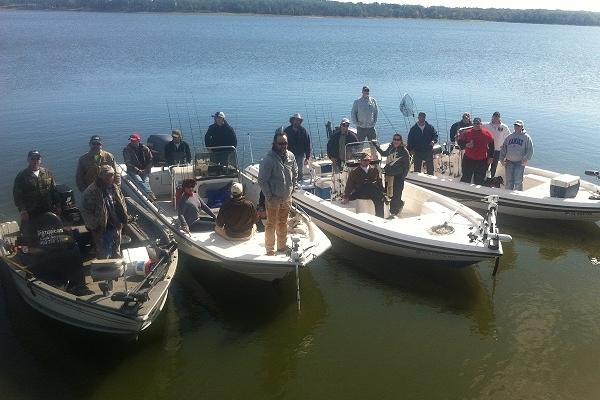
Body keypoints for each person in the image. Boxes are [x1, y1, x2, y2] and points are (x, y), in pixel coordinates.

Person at [258, 128, 297, 256]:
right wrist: (269, 196)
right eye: (280, 143)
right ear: (274, 143)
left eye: (285, 143)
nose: (283, 146)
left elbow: (295, 172)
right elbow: (262, 180)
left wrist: (292, 188)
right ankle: (270, 249)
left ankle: (282, 246)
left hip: (286, 197)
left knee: (283, 223)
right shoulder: (268, 160)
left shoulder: (291, 156)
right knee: (271, 224)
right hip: (273, 199)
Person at [81, 165, 128, 259]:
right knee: (104, 255)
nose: (110, 177)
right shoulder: (91, 192)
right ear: (100, 176)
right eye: (107, 175)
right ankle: (105, 270)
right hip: (102, 229)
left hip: (116, 225)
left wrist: (123, 219)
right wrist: (95, 228)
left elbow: (122, 202)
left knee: (117, 252)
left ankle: (116, 270)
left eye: (112, 175)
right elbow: (86, 212)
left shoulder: (115, 188)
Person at [13, 150, 59, 226]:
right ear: (28, 160)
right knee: (30, 234)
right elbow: (17, 196)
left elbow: (54, 190)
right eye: (32, 159)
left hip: (47, 209)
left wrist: (58, 205)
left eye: (37, 158)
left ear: (40, 160)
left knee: (50, 231)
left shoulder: (47, 173)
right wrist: (23, 211)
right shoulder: (21, 176)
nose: (35, 161)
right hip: (31, 212)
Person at [373, 133, 410, 218]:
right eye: (395, 139)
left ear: (401, 141)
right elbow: (384, 154)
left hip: (398, 177)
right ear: (393, 140)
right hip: (389, 176)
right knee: (389, 194)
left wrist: (402, 177)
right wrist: (376, 146)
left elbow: (407, 166)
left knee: (396, 194)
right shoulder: (390, 148)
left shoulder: (404, 151)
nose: (396, 141)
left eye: (398, 140)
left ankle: (394, 212)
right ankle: (399, 204)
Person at [342, 152, 385, 218]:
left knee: (380, 198)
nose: (366, 162)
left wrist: (382, 191)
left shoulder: (374, 169)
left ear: (369, 161)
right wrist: (346, 196)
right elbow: (349, 185)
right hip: (361, 192)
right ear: (360, 161)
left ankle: (379, 218)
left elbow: (379, 182)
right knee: (367, 186)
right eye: (364, 160)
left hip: (372, 191)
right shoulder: (354, 172)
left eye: (367, 160)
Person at [456, 117, 494, 185]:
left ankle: (477, 192)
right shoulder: (467, 133)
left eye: (478, 123)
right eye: (475, 123)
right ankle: (464, 191)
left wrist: (491, 157)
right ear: (472, 124)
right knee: (466, 177)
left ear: (481, 124)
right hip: (468, 159)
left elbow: (491, 145)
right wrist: (466, 144)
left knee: (479, 179)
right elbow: (460, 142)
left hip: (482, 160)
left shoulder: (487, 133)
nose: (476, 125)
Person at [500, 120, 534, 191]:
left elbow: (530, 149)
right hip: (509, 162)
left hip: (519, 163)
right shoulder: (509, 137)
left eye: (518, 126)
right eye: (515, 125)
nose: (516, 127)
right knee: (509, 181)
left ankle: (517, 196)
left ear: (522, 127)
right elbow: (504, 148)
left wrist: (526, 158)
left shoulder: (526, 137)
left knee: (518, 181)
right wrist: (501, 159)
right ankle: (508, 196)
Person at [123, 132, 156, 200]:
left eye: (134, 140)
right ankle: (150, 195)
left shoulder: (145, 148)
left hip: (145, 170)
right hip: (133, 170)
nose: (132, 142)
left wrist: (146, 169)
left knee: (146, 181)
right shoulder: (127, 150)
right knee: (139, 181)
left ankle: (148, 196)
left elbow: (150, 160)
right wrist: (137, 170)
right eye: (131, 140)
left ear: (138, 140)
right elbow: (128, 163)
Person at [284, 113, 311, 182]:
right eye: (295, 120)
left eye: (298, 120)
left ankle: (299, 182)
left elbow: (307, 144)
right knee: (288, 170)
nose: (296, 122)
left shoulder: (303, 131)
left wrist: (307, 157)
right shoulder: (287, 131)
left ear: (300, 121)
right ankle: (290, 183)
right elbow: (283, 143)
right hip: (289, 155)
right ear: (292, 121)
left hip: (300, 155)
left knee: (299, 171)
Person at [485, 111, 512, 178]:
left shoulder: (504, 127)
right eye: (494, 117)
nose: (495, 118)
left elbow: (509, 137)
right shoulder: (487, 125)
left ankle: (492, 179)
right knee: (486, 165)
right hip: (488, 149)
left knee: (494, 166)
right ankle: (484, 178)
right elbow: (477, 126)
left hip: (498, 150)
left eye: (497, 117)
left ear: (499, 118)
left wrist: (505, 145)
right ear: (492, 117)